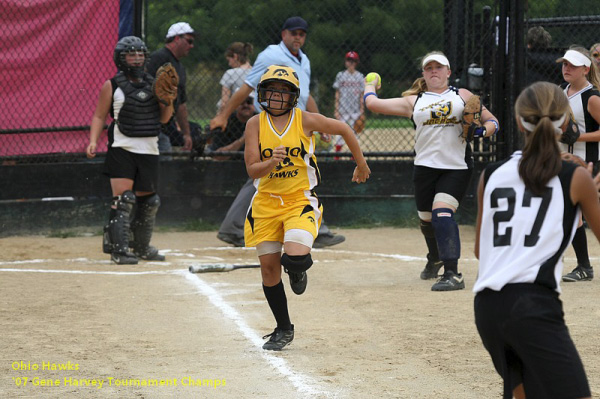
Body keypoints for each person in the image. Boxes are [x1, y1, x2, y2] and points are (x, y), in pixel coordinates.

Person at [473, 81, 600, 399]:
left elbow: (479, 249)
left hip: (487, 307)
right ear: (566, 123)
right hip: (533, 304)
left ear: (518, 122)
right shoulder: (575, 175)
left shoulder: (491, 174)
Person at [245, 65, 370, 350]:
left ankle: (298, 269)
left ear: (293, 96)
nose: (276, 97)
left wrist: (360, 163)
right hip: (265, 203)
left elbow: (344, 128)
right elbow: (253, 170)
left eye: (282, 92)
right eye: (271, 91)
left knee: (296, 256)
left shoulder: (304, 120)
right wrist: (271, 162)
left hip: (299, 199)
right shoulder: (255, 124)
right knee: (268, 270)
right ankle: (283, 328)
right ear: (262, 94)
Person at [364, 51, 499, 291]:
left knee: (442, 214)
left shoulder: (462, 95)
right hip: (425, 168)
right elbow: (372, 104)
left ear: (448, 72)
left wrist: (481, 132)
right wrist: (369, 84)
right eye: (429, 68)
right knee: (426, 220)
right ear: (424, 74)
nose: (434, 71)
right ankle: (435, 257)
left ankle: (452, 273)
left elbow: (493, 122)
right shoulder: (414, 101)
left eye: (439, 67)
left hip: (456, 167)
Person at [211, 16, 346, 248]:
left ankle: (233, 227)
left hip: (298, 126)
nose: (298, 37)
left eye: (302, 34)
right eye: (293, 33)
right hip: (273, 124)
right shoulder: (270, 55)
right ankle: (317, 229)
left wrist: (319, 124)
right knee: (272, 174)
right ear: (283, 34)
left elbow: (305, 95)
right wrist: (223, 114)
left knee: (285, 173)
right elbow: (247, 87)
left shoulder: (304, 60)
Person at [86, 36, 173, 264]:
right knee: (124, 199)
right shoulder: (112, 85)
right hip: (122, 147)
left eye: (140, 53)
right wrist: (93, 140)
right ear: (121, 58)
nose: (136, 58)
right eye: (131, 54)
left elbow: (164, 119)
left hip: (149, 148)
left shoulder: (155, 83)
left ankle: (142, 247)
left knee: (149, 201)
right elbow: (98, 115)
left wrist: (169, 99)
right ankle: (119, 249)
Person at [556, 46, 600, 282]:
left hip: (591, 163)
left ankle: (584, 266)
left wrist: (577, 137)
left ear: (586, 68)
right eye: (564, 64)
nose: (566, 68)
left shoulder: (591, 97)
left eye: (572, 65)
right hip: (569, 163)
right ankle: (584, 267)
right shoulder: (563, 92)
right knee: (571, 214)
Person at [147, 22, 195, 153]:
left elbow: (181, 104)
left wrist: (186, 133)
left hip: (165, 128)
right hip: (150, 125)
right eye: (189, 41)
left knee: (164, 165)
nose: (192, 46)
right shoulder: (158, 58)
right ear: (177, 38)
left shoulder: (180, 67)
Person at [333, 51, 365, 155]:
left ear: (356, 62)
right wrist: (336, 109)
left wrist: (362, 110)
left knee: (355, 135)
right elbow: (337, 93)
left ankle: (354, 158)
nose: (351, 63)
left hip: (355, 111)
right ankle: (337, 157)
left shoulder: (360, 76)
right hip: (343, 110)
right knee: (339, 135)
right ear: (346, 62)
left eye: (353, 61)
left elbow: (361, 94)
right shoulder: (341, 75)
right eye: (349, 60)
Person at [208, 93, 256, 160]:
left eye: (249, 102)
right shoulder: (225, 122)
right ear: (235, 105)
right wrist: (242, 139)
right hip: (229, 165)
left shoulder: (261, 120)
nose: (246, 105)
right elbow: (217, 156)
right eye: (242, 102)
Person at [218, 42, 253, 113]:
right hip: (254, 113)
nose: (229, 64)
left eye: (229, 60)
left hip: (235, 113)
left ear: (235, 56)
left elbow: (224, 102)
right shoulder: (256, 72)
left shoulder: (230, 73)